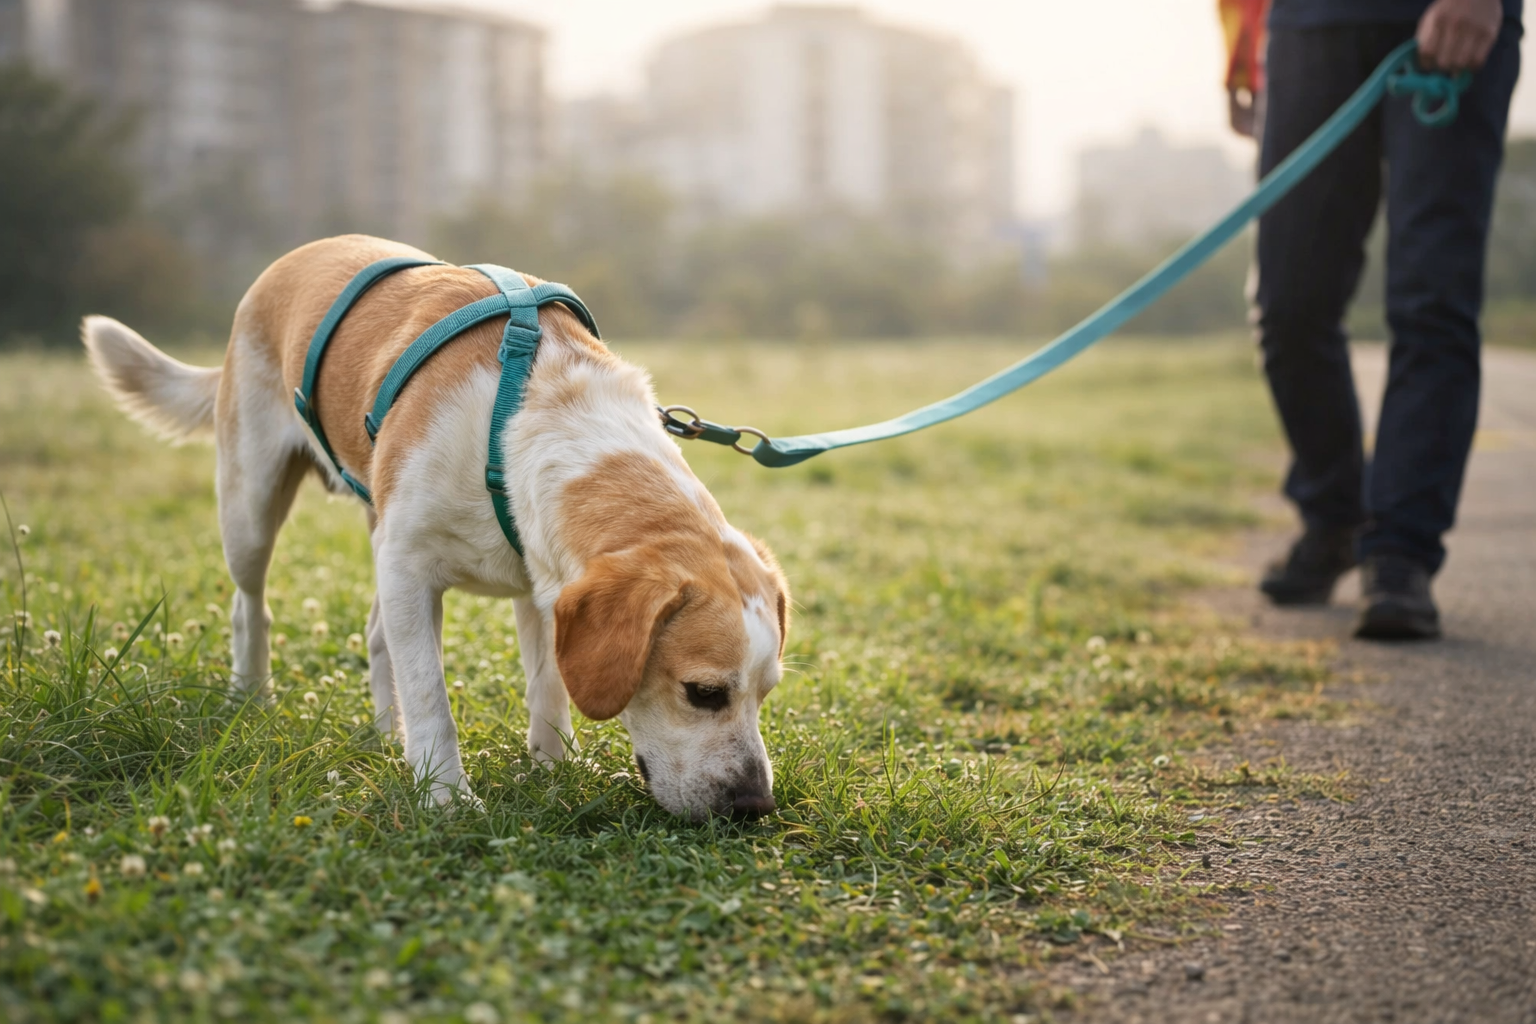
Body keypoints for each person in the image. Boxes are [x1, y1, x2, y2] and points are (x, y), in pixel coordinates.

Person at [1231, 0, 1522, 639]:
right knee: (1289, 303)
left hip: (1446, 16)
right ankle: (1333, 517)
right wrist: (1243, 37)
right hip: (1306, 25)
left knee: (1431, 299)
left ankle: (1400, 552)